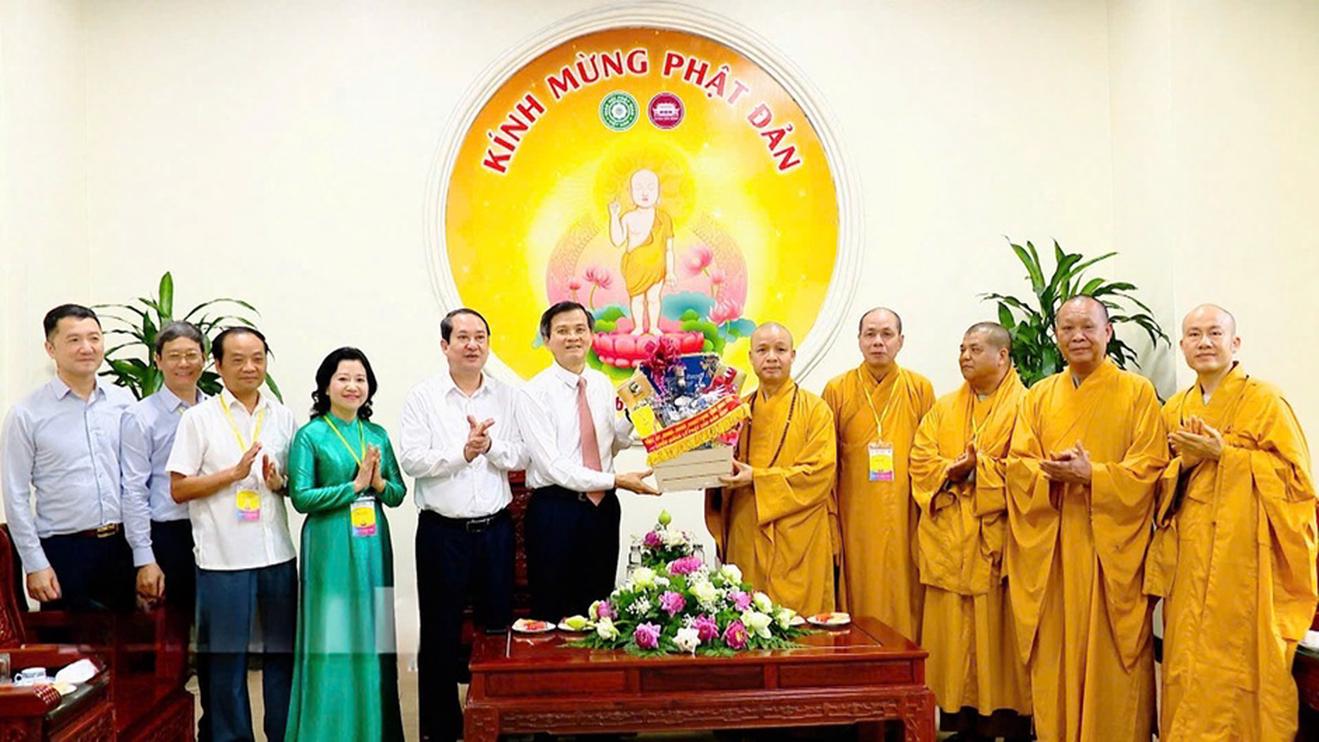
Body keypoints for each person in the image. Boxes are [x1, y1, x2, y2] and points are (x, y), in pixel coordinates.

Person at [1146, 304, 1317, 740]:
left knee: (1244, 662)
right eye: (1194, 334)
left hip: (1246, 562)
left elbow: (1297, 484)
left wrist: (1227, 456)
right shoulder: (1174, 410)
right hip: (1190, 560)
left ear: (1234, 343)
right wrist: (1184, 465)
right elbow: (1156, 488)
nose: (1204, 342)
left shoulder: (1266, 401)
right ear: (1182, 346)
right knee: (1188, 659)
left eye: (1214, 333)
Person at [1006, 296, 1166, 741]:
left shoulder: (1137, 392)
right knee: (1057, 653)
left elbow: (1150, 467)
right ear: (1056, 336)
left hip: (1110, 552)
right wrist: (1050, 473)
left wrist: (1093, 475)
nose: (1078, 336)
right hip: (1054, 549)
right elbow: (1018, 465)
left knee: (1112, 658)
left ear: (1108, 332)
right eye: (1068, 328)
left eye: (1088, 327)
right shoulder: (1039, 396)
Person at [398, 309, 525, 742]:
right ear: (445, 345)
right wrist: (463, 453)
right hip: (442, 533)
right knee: (439, 632)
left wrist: (489, 447)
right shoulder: (423, 397)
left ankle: (500, 723)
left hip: (495, 531)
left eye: (480, 337)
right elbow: (412, 460)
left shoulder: (507, 396)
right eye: (463, 337)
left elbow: (522, 455)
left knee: (497, 628)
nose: (473, 345)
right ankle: (441, 730)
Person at [167, 326, 298, 742]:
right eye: (238, 360)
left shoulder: (282, 416)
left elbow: (293, 485)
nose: (249, 367)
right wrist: (233, 474)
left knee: (282, 656)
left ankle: (282, 733)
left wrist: (279, 482)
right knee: (226, 663)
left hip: (277, 555)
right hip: (223, 559)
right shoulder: (199, 419)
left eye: (258, 358)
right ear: (218, 365)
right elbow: (179, 488)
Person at [910, 322, 1030, 740]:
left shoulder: (1027, 406)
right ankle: (959, 719)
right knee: (953, 636)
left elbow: (1030, 467)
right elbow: (920, 461)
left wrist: (981, 471)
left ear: (1002, 356)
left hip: (998, 539)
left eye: (975, 349)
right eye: (962, 348)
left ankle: (1008, 719)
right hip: (949, 536)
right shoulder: (944, 407)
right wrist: (951, 471)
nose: (964, 356)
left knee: (997, 636)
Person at [285, 347, 406, 741]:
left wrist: (378, 483)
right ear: (325, 386)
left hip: (373, 546)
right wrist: (353, 487)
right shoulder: (311, 435)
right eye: (343, 379)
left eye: (360, 379)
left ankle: (375, 728)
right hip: (330, 544)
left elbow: (397, 494)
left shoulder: (377, 434)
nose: (353, 386)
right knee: (332, 632)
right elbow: (302, 497)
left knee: (373, 630)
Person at [519, 300, 658, 622]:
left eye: (580, 329)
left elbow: (611, 445)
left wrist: (635, 414)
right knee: (553, 610)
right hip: (555, 510)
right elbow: (553, 466)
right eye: (563, 331)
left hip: (602, 509)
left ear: (591, 335)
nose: (573, 337)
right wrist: (616, 480)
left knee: (599, 609)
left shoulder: (601, 384)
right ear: (547, 339)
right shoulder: (534, 392)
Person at [1, 303, 135, 612]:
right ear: (50, 348)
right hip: (64, 551)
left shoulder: (123, 402)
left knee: (126, 640)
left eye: (94, 338)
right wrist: (35, 563)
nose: (87, 348)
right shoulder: (27, 414)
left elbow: (136, 478)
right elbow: (15, 494)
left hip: (121, 546)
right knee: (68, 642)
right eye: (74, 340)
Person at [706, 322, 836, 614]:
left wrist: (757, 478)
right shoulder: (735, 412)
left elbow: (819, 474)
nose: (772, 357)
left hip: (799, 537)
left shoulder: (816, 410)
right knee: (747, 621)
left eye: (780, 349)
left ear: (793, 355)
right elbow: (717, 466)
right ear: (751, 358)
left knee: (801, 626)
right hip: (746, 528)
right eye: (762, 350)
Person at [821, 307, 934, 640]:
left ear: (901, 340)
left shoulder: (919, 388)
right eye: (870, 334)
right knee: (860, 585)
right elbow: (828, 462)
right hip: (855, 514)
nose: (878, 342)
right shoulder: (837, 389)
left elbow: (930, 455)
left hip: (906, 512)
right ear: (859, 340)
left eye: (887, 334)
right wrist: (832, 521)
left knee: (905, 585)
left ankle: (906, 657)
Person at [120, 321, 207, 613]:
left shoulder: (217, 411)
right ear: (157, 360)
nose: (183, 364)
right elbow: (134, 489)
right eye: (174, 356)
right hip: (169, 534)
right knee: (174, 628)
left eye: (191, 355)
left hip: (213, 529)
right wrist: (145, 558)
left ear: (204, 359)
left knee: (215, 624)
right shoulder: (140, 416)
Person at [608, 168, 676, 335]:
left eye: (650, 187)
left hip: (657, 267)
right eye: (639, 188)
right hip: (634, 267)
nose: (645, 193)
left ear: (658, 192)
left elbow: (669, 249)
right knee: (636, 299)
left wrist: (670, 272)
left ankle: (653, 326)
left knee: (654, 298)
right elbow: (617, 240)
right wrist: (614, 216)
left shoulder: (664, 219)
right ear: (631, 193)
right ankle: (638, 327)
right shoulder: (628, 217)